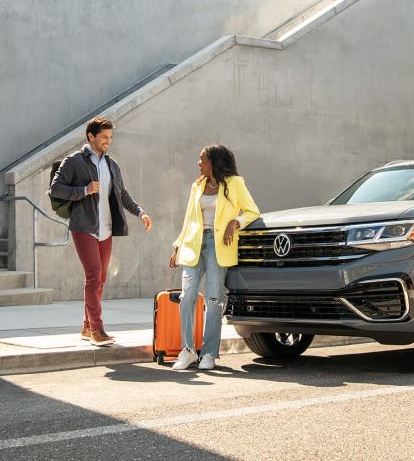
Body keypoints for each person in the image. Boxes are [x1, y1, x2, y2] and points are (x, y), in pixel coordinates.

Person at [50, 117, 153, 347]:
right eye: (104, 137)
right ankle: (97, 329)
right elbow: (56, 188)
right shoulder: (74, 161)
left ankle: (87, 326)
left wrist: (140, 213)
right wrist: (84, 190)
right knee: (94, 275)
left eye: (110, 137)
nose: (108, 141)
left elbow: (122, 193)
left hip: (106, 229)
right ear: (91, 136)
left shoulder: (111, 164)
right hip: (84, 227)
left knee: (101, 279)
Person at [169, 144, 260, 370]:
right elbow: (189, 219)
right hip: (194, 244)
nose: (198, 163)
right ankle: (188, 351)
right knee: (187, 296)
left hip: (218, 246)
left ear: (214, 161)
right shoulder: (197, 185)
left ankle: (209, 353)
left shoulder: (235, 183)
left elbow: (252, 211)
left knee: (213, 300)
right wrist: (178, 245)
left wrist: (235, 222)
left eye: (202, 158)